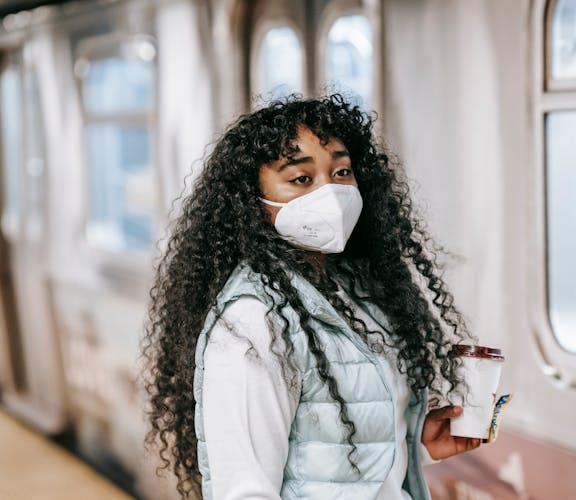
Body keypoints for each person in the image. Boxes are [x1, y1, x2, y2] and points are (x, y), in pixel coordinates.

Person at [142, 94, 481, 500]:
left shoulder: (358, 289)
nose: (331, 193)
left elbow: (329, 451)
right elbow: (245, 491)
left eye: (341, 171)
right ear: (251, 200)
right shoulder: (253, 322)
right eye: (301, 178)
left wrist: (411, 435)